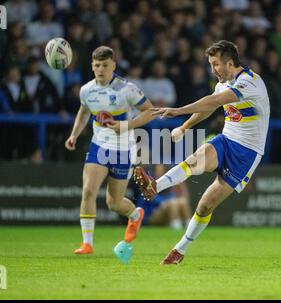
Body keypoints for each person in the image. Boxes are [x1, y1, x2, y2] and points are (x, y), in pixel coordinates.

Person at [133, 40, 270, 264]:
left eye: (216, 64)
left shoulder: (250, 83)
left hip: (247, 152)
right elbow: (208, 108)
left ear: (229, 63)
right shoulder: (222, 84)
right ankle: (155, 186)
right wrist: (185, 126)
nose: (213, 69)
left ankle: (180, 250)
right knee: (197, 158)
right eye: (210, 64)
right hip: (227, 139)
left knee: (205, 205)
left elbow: (214, 100)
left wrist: (178, 111)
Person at [65, 46, 153, 254]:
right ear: (92, 67)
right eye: (97, 65)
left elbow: (150, 111)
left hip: (123, 150)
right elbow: (84, 111)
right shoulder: (87, 90)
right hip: (99, 146)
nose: (101, 69)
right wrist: (74, 135)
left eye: (105, 65)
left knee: (114, 203)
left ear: (113, 65)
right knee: (88, 190)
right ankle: (87, 243)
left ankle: (135, 215)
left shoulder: (127, 89)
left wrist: (126, 126)